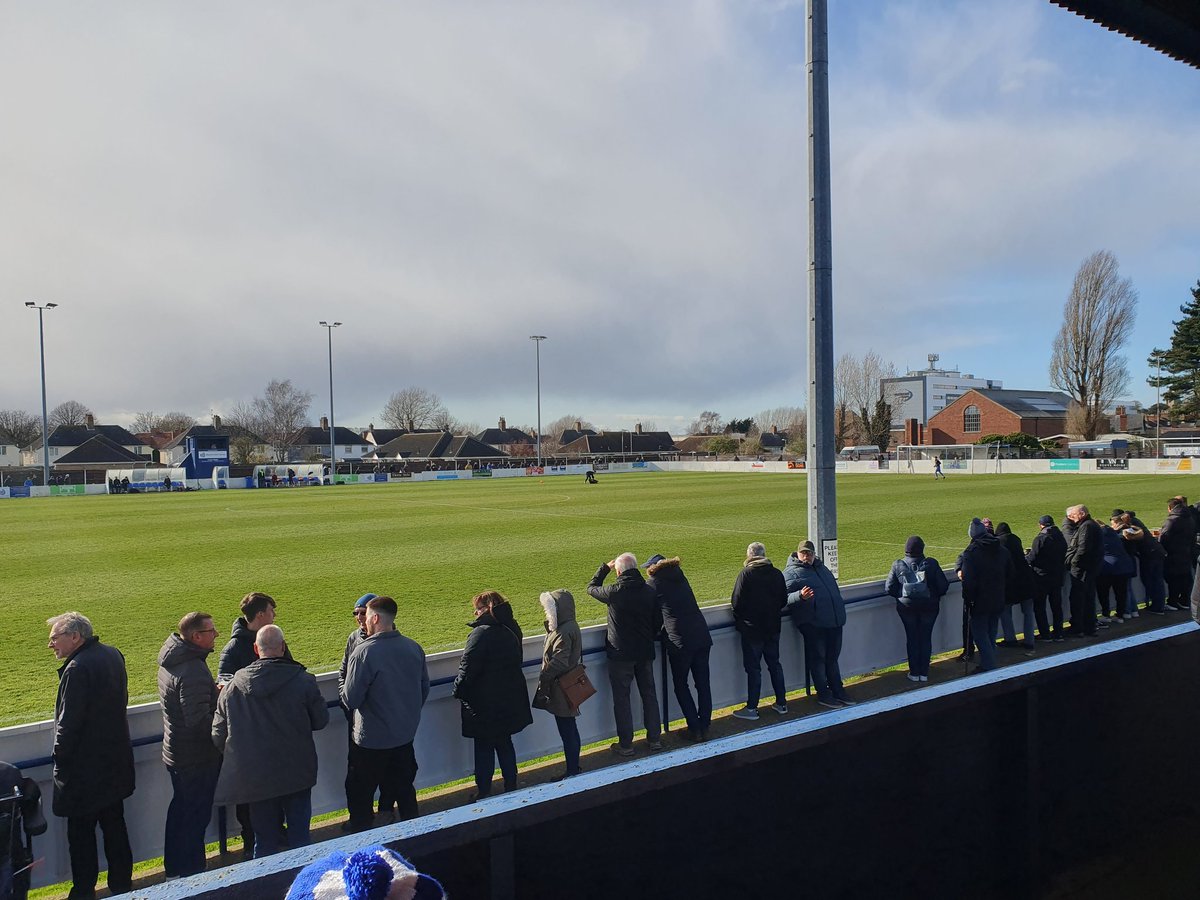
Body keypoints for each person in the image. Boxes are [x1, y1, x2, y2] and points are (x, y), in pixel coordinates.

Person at [212, 624, 328, 858]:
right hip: (296, 772)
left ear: (256, 649)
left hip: (256, 777)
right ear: (283, 647)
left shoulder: (232, 688)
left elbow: (218, 735)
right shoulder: (303, 680)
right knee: (300, 840)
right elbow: (321, 720)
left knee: (263, 842)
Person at [46, 612, 134, 900]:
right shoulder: (113, 655)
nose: (51, 645)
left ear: (75, 636)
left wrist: (60, 760)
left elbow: (68, 725)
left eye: (54, 638)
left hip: (84, 774)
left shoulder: (77, 669)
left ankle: (83, 892)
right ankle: (122, 887)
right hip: (114, 764)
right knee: (115, 829)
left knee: (81, 838)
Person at [340, 596, 430, 830]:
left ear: (376, 618)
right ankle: (417, 839)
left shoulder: (365, 652)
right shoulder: (413, 647)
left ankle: (363, 846)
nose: (363, 621)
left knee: (361, 797)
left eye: (366, 616)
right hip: (403, 736)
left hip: (371, 741)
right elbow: (423, 689)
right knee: (405, 793)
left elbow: (350, 698)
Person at [217, 590, 286, 855]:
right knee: (250, 795)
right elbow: (223, 688)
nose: (274, 615)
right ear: (260, 615)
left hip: (273, 730)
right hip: (249, 734)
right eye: (271, 610)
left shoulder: (275, 638)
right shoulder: (234, 649)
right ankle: (250, 843)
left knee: (277, 787)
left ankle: (278, 834)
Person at [157, 612, 221, 878]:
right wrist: (222, 715)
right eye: (211, 631)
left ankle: (175, 868)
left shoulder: (173, 659)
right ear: (196, 636)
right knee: (194, 817)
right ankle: (193, 873)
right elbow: (197, 721)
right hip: (195, 757)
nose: (216, 634)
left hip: (177, 752)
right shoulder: (192, 668)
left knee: (181, 811)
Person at [451, 592, 532, 798]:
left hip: (484, 703)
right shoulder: (512, 627)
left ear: (486, 608)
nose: (475, 612)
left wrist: (458, 691)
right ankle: (511, 785)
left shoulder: (481, 633)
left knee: (484, 747)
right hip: (509, 698)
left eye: (477, 608)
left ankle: (484, 791)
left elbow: (467, 669)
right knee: (505, 743)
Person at [587, 553, 663, 756]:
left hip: (620, 654)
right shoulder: (649, 590)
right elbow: (658, 622)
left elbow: (591, 588)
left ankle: (626, 744)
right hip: (644, 651)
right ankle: (655, 739)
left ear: (619, 571)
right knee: (649, 695)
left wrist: (604, 568)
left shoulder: (614, 591)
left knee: (622, 699)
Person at [645, 554, 713, 741]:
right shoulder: (680, 576)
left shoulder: (654, 583)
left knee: (681, 685)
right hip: (701, 635)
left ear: (653, 568)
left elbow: (653, 614)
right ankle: (705, 725)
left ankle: (694, 728)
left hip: (680, 641)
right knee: (702, 683)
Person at [783, 540, 853, 708]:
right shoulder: (790, 573)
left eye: (810, 553)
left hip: (834, 621)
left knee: (832, 659)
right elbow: (782, 598)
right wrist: (799, 596)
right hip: (813, 624)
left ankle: (838, 691)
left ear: (814, 554)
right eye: (804, 553)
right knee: (818, 659)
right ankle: (823, 693)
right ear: (797, 554)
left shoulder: (822, 568)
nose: (807, 556)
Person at [731, 542, 790, 719]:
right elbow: (783, 600)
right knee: (774, 664)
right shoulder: (776, 573)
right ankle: (782, 703)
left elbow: (736, 602)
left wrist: (743, 620)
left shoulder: (746, 574)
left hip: (752, 630)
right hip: (773, 627)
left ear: (749, 555)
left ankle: (751, 708)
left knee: (754, 669)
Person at [883, 536, 950, 682]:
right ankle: (924, 673)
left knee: (912, 638)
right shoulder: (931, 563)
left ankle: (914, 672)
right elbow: (943, 586)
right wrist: (933, 596)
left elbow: (889, 588)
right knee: (925, 638)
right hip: (929, 607)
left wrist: (902, 597)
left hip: (906, 608)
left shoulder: (898, 565)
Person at [533, 589, 583, 777]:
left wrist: (544, 675)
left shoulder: (564, 630)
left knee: (567, 730)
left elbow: (560, 661)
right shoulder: (567, 626)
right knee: (569, 728)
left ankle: (572, 769)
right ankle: (573, 767)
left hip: (562, 687)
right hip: (564, 684)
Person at [959, 518, 1013, 672]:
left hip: (980, 600)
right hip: (998, 597)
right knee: (990, 632)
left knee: (980, 633)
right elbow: (1011, 573)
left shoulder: (972, 553)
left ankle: (989, 666)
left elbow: (968, 582)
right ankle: (988, 663)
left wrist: (969, 599)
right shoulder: (1001, 549)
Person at [1063, 505, 1103, 637]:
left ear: (1081, 513)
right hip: (1090, 567)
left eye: (1074, 515)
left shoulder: (1086, 526)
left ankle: (1079, 627)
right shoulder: (1091, 525)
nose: (1072, 518)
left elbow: (1083, 548)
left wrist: (1073, 562)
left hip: (1082, 569)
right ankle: (1089, 627)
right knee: (1087, 597)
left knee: (1079, 598)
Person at [995, 523, 1036, 652]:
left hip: (1010, 583)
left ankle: (1010, 639)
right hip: (1026, 581)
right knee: (1028, 613)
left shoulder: (999, 543)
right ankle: (1030, 641)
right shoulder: (1016, 540)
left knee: (1005, 611)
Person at [1027, 515, 1068, 641]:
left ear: (1041, 525)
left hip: (1042, 577)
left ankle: (1045, 634)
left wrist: (1026, 557)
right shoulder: (1060, 537)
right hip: (1057, 576)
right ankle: (1058, 632)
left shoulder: (1041, 538)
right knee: (1056, 606)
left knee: (1040, 607)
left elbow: (1032, 558)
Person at [1159, 497, 1196, 611]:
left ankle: (1173, 602)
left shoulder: (1172, 520)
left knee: (1174, 578)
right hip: (1186, 551)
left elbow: (1164, 536)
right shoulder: (1189, 517)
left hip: (1173, 553)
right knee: (1185, 577)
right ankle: (1184, 601)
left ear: (1170, 508)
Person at [1096, 516, 1135, 622]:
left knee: (1103, 592)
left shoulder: (1098, 535)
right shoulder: (1112, 532)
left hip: (1108, 567)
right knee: (1121, 593)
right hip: (1124, 566)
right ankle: (1120, 615)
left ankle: (1106, 614)